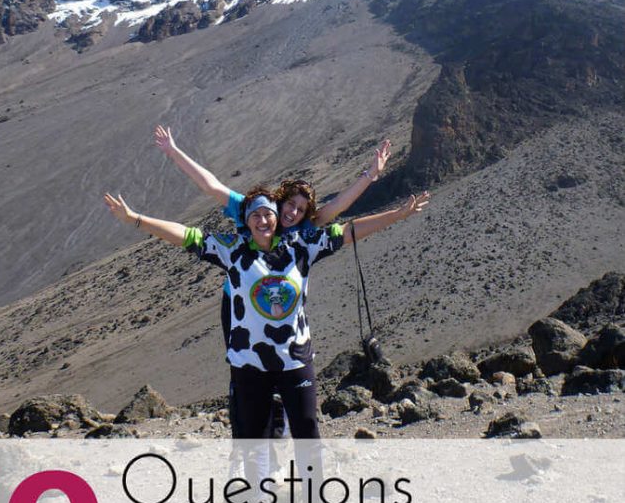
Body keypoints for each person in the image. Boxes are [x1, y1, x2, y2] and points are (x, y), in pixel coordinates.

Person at [103, 185, 430, 441]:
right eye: (255, 215)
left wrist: (397, 215)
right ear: (246, 220)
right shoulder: (232, 250)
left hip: (295, 360)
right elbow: (186, 236)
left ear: (277, 218)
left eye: (268, 214)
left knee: (307, 433)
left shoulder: (301, 245)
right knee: (254, 437)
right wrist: (135, 219)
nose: (263, 220)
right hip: (249, 363)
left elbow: (348, 230)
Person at [153, 125, 392, 235]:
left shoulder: (304, 226)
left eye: (300, 210)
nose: (293, 213)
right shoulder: (254, 209)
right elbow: (211, 186)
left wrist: (370, 175)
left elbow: (339, 205)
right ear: (281, 200)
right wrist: (174, 152)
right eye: (291, 204)